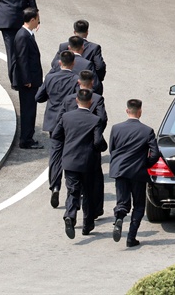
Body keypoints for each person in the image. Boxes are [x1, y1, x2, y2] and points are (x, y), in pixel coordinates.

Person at [51, 89, 108, 239]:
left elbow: (56, 135)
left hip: (70, 160)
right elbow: (97, 141)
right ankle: (87, 225)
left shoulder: (66, 117)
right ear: (90, 102)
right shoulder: (95, 120)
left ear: (76, 100)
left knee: (72, 190)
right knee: (88, 193)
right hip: (88, 162)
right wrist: (103, 147)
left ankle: (70, 215)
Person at [109, 99, 159, 248]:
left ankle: (119, 218)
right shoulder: (147, 131)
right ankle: (131, 237)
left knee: (122, 202)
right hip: (138, 172)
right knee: (138, 205)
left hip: (120, 170)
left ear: (127, 110)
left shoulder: (116, 128)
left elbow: (112, 149)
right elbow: (155, 153)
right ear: (140, 111)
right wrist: (146, 164)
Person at [12, 7, 43, 150]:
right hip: (28, 83)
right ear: (32, 20)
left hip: (31, 80)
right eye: (37, 19)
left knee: (30, 109)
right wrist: (27, 80)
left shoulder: (27, 34)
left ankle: (28, 137)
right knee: (28, 110)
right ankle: (26, 140)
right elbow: (22, 59)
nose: (38, 22)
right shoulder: (23, 36)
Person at [35, 50, 78, 135]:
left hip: (52, 118)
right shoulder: (76, 79)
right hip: (69, 118)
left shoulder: (49, 78)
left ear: (59, 62)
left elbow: (38, 97)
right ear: (73, 63)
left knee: (54, 145)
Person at [51, 20, 106, 85]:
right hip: (84, 83)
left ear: (74, 31)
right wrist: (96, 78)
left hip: (64, 83)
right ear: (87, 32)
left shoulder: (64, 46)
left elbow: (54, 64)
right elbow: (100, 66)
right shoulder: (94, 48)